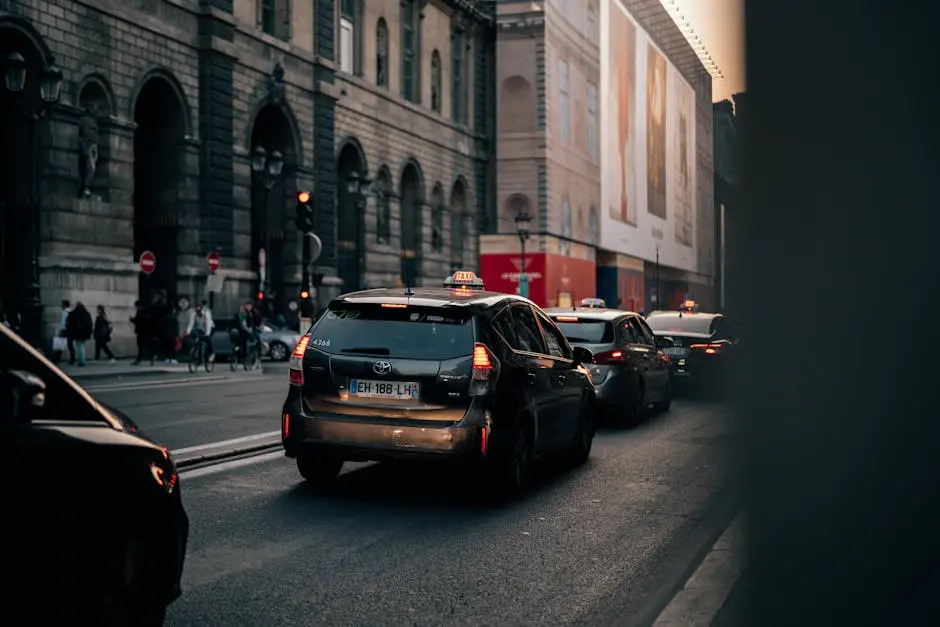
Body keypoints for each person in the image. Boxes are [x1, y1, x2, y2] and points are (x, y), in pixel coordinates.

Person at [65, 302, 93, 366]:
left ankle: (82, 361)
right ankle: (82, 360)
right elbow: (90, 324)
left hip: (78, 333)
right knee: (81, 346)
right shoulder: (87, 313)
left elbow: (70, 322)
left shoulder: (75, 313)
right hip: (85, 333)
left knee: (80, 346)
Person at [130, 300, 154, 365]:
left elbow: (139, 322)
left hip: (141, 332)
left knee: (141, 345)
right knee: (146, 346)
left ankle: (140, 359)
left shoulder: (140, 312)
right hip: (146, 332)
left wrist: (132, 320)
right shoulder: (146, 312)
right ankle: (150, 358)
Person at [59, 300, 74, 364]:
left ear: (64, 305)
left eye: (62, 304)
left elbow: (63, 323)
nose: (61, 305)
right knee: (70, 345)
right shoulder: (70, 311)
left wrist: (61, 330)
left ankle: (57, 359)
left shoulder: (64, 312)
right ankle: (72, 359)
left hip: (65, 330)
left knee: (60, 345)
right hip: (70, 331)